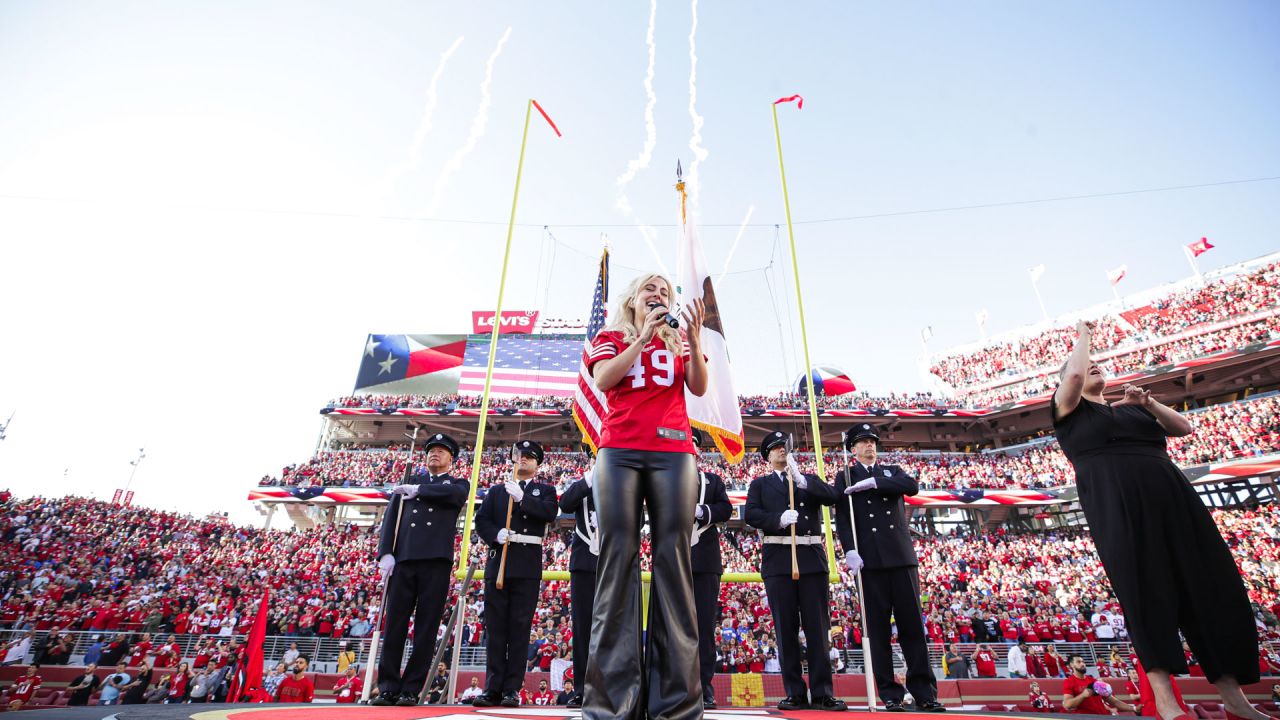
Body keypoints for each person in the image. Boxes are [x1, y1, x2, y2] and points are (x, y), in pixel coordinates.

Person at [1054, 320, 1267, 720]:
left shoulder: (1132, 411)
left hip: (1172, 496)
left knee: (1210, 586)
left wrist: (1147, 403)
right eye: (1085, 365)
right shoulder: (1068, 413)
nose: (1093, 366)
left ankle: (1234, 699)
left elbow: (1182, 427)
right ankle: (1166, 701)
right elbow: (1078, 373)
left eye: (1100, 362)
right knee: (1145, 592)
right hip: (1118, 505)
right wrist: (1084, 335)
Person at [581, 273, 707, 720]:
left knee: (674, 560)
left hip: (673, 451)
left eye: (665, 291)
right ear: (633, 297)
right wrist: (642, 339)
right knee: (619, 558)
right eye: (650, 289)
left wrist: (688, 336)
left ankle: (677, 703)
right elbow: (604, 379)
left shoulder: (678, 340)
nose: (659, 295)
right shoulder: (611, 336)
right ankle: (613, 703)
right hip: (620, 451)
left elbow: (698, 387)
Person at [834, 424, 944, 712]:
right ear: (852, 449)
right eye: (863, 442)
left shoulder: (892, 471)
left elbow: (912, 486)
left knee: (912, 628)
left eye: (872, 441)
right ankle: (890, 693)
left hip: (900, 557)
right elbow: (843, 519)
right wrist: (849, 550)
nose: (869, 445)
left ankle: (924, 692)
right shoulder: (844, 475)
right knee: (878, 631)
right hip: (869, 561)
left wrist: (875, 484)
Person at [744, 431, 846, 711]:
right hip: (778, 560)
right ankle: (795, 692)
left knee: (817, 629)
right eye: (776, 449)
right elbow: (750, 514)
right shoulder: (760, 485)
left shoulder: (806, 480)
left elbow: (833, 496)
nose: (781, 452)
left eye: (784, 448)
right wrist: (776, 519)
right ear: (767, 456)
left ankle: (823, 691)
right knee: (785, 629)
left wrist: (804, 482)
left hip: (811, 560)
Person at [374, 432, 470, 706]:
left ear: (451, 458)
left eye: (441, 451)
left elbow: (456, 496)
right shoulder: (409, 482)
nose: (434, 454)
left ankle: (411, 688)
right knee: (395, 626)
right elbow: (391, 518)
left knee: (425, 629)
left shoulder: (455, 484)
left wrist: (421, 491)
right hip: (403, 560)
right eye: (430, 450)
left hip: (435, 562)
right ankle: (389, 686)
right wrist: (385, 553)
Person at [473, 439, 559, 708]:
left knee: (520, 629)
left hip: (526, 565)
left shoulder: (545, 490)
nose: (523, 459)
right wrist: (494, 535)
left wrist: (523, 499)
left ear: (537, 464)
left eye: (530, 457)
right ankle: (493, 687)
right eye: (519, 455)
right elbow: (481, 520)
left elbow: (549, 512)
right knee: (496, 629)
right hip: (499, 563)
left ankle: (512, 688)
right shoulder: (498, 492)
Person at [690, 427, 733, 710]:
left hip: (704, 562)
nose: (689, 449)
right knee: (670, 626)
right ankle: (671, 684)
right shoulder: (661, 478)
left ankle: (704, 687)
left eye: (693, 444)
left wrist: (704, 512)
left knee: (704, 628)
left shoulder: (712, 481)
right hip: (670, 559)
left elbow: (726, 509)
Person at [558, 464, 598, 710]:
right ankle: (582, 689)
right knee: (583, 628)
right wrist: (589, 480)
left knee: (616, 628)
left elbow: (639, 521)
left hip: (615, 562)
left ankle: (614, 687)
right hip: (584, 563)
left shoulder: (625, 477)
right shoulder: (584, 483)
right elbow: (565, 503)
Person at [1063, 654, 1136, 715]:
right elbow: (1067, 704)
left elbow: (1114, 701)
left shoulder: (1094, 681)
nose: (1082, 664)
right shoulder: (1069, 682)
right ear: (1071, 665)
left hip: (1103, 716)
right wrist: (1083, 695)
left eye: (1083, 661)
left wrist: (1134, 708)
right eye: (1078, 662)